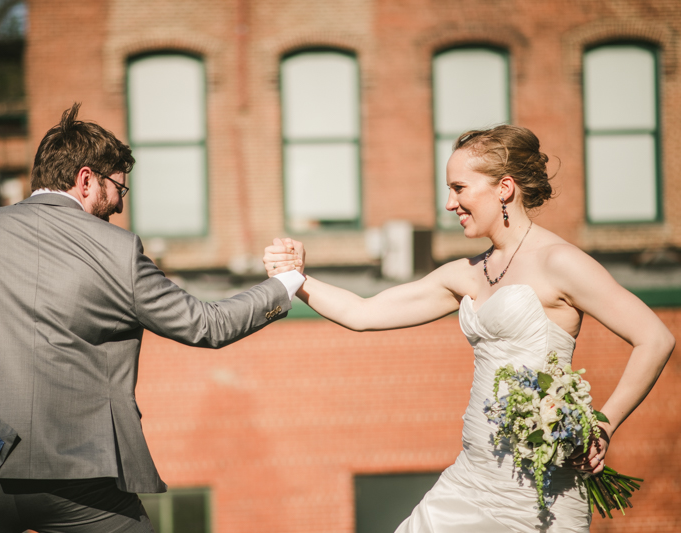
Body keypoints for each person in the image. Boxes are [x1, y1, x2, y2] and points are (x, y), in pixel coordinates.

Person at [0, 103, 305, 532]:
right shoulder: (117, 251)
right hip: (82, 479)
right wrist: (284, 284)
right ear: (86, 179)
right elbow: (205, 324)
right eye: (119, 188)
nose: (120, 205)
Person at [263, 125, 674, 532]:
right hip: (470, 484)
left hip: (540, 500)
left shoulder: (559, 263)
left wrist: (603, 423)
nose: (449, 203)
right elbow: (363, 313)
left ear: (504, 188)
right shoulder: (466, 273)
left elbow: (655, 338)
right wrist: (294, 278)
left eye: (459, 188)